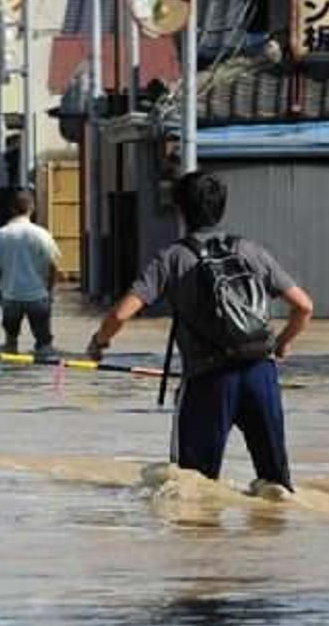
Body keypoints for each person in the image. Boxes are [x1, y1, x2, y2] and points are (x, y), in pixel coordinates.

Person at [85, 171, 314, 493]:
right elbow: (304, 307)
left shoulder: (172, 258)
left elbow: (121, 313)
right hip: (261, 374)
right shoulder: (250, 251)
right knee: (276, 488)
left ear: (181, 211)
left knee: (191, 489)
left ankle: (203, 545)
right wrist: (282, 344)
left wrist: (99, 343)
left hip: (207, 381)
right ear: (222, 208)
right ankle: (271, 540)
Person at [0, 190, 61, 357]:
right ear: (32, 208)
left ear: (12, 209)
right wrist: (49, 291)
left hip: (11, 297)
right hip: (38, 297)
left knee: (10, 347)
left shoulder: (1, 234)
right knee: (44, 348)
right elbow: (54, 266)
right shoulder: (42, 234)